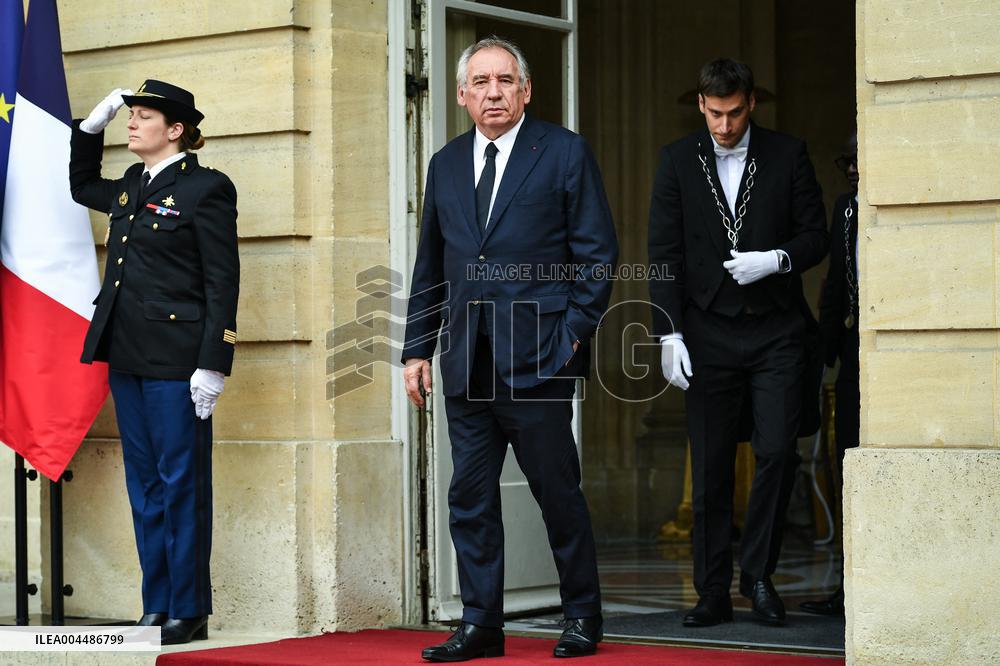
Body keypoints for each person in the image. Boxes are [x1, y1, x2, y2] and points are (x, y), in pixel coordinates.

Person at [402, 37, 618, 661]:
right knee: (469, 497)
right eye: (480, 82)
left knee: (558, 493)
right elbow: (430, 267)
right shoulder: (444, 163)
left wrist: (570, 335)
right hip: (466, 360)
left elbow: (597, 256)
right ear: (463, 94)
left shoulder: (564, 152)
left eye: (505, 81)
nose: (492, 92)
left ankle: (581, 616)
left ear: (527, 90)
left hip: (540, 359)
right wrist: (417, 350)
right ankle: (481, 623)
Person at [647, 59, 828, 627]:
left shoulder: (787, 152)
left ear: (751, 103)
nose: (723, 125)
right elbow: (664, 253)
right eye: (714, 113)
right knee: (711, 466)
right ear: (701, 104)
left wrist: (776, 260)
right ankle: (712, 591)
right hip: (706, 332)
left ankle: (758, 575)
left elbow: (816, 236)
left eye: (733, 113)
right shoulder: (677, 160)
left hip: (777, 330)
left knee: (777, 450)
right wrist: (668, 332)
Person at [69, 80, 239, 645]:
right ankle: (156, 604)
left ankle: (187, 610)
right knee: (145, 486)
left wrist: (214, 361)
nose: (131, 124)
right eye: (130, 116)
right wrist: (91, 126)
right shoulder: (129, 187)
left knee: (181, 483)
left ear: (176, 131)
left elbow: (222, 280)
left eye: (142, 117)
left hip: (177, 363)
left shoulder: (206, 189)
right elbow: (80, 185)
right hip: (127, 354)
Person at [800, 132, 860, 617]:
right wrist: (822, 357)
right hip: (853, 360)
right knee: (847, 471)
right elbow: (835, 287)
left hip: (897, 360)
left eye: (862, 159)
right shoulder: (845, 209)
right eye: (849, 161)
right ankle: (849, 588)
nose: (855, 170)